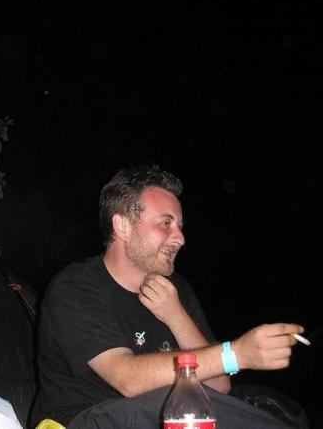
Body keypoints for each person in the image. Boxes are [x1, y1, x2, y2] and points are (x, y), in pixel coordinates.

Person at [31, 165, 304, 429]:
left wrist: (176, 316)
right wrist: (237, 354)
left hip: (158, 413)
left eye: (180, 226)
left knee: (259, 403)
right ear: (122, 227)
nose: (180, 238)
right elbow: (127, 378)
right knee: (167, 407)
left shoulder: (177, 289)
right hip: (82, 420)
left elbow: (218, 386)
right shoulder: (75, 287)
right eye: (166, 223)